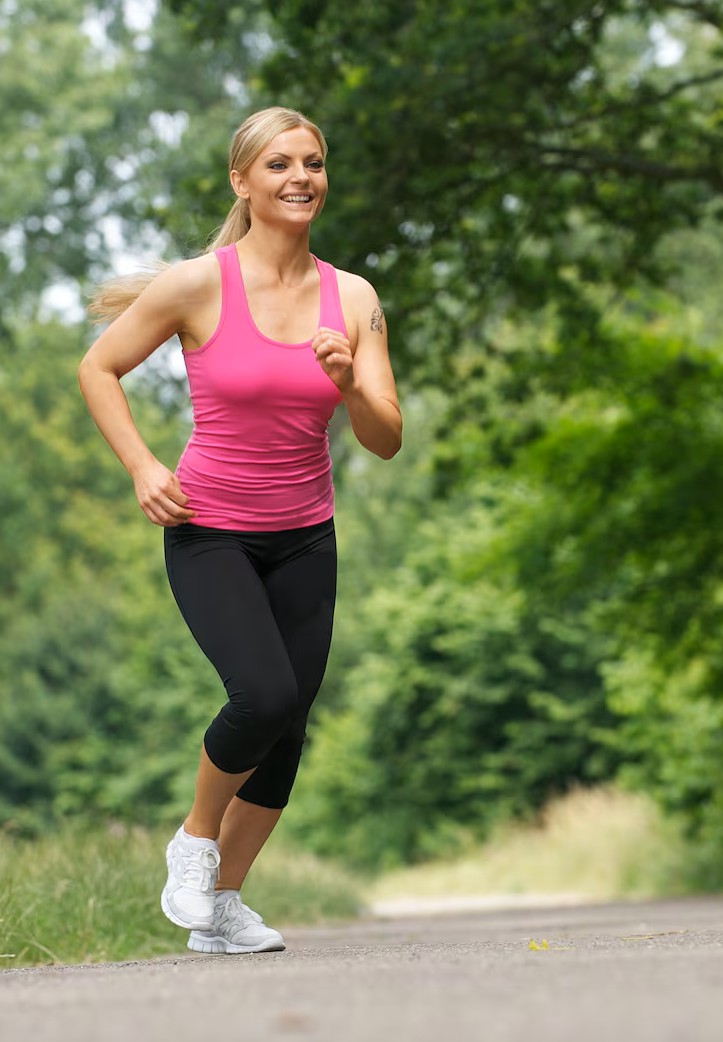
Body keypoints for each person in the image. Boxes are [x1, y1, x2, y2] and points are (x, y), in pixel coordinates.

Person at [78, 106, 402, 955]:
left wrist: (350, 383)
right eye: (279, 164)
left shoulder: (353, 297)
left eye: (313, 163)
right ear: (242, 181)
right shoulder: (198, 285)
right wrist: (142, 467)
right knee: (264, 694)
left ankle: (221, 906)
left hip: (305, 534)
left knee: (288, 727)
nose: (300, 178)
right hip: (209, 528)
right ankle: (194, 842)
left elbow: (385, 438)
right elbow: (99, 366)